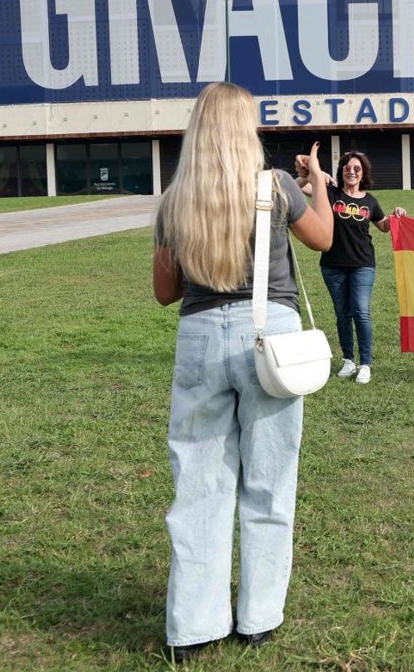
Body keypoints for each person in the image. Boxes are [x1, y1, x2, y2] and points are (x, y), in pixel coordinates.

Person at [152, 82, 334, 662]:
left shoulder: (177, 197)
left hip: (201, 335)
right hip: (270, 333)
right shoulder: (276, 185)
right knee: (270, 479)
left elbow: (164, 292)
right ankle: (258, 616)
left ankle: (193, 625)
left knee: (200, 484)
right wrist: (321, 186)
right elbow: (325, 239)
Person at [295, 149, 405, 385]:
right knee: (342, 314)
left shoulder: (370, 201)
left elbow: (383, 226)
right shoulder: (330, 194)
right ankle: (348, 360)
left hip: (363, 264)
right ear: (341, 171)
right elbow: (300, 187)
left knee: (361, 312)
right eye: (347, 167)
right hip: (332, 265)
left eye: (356, 168)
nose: (352, 171)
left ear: (363, 173)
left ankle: (365, 364)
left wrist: (396, 216)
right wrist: (312, 171)